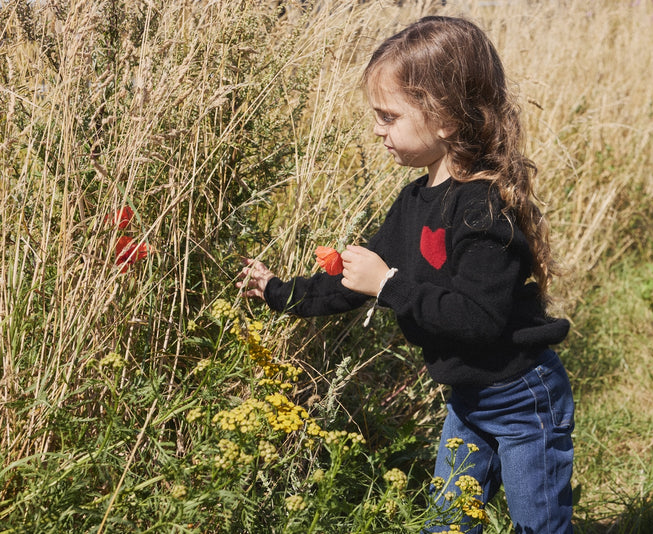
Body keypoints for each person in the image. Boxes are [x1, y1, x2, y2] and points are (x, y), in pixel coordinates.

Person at [236, 16, 574, 534]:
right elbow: (354, 278)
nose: (377, 129)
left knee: (539, 525)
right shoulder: (413, 202)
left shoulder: (484, 209)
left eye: (388, 116)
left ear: (443, 118)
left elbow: (478, 318)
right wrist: (280, 291)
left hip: (522, 398)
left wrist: (389, 284)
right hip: (467, 399)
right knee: (445, 526)